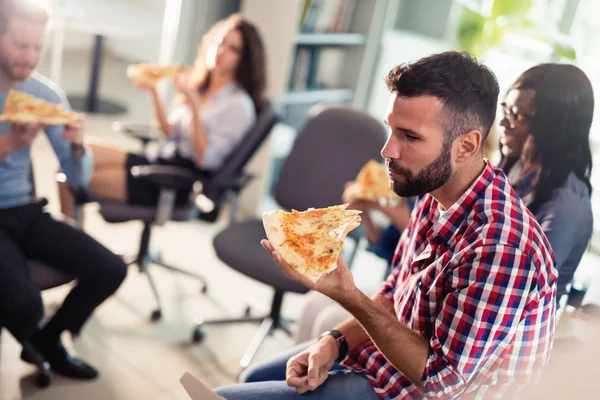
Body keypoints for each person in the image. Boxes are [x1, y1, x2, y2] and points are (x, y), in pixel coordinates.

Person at [216, 52, 558, 399]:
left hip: (419, 392)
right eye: (391, 129)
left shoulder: (503, 248)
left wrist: (346, 295)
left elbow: (442, 382)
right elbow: (398, 292)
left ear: (466, 146)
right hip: (385, 367)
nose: (387, 150)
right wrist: (334, 342)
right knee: (254, 378)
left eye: (409, 136)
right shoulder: (434, 188)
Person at [0, 0, 127, 380]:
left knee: (111, 269)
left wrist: (77, 146)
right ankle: (31, 329)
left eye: (38, 48)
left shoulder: (44, 94)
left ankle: (49, 341)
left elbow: (78, 179)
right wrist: (9, 145)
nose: (30, 57)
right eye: (21, 45)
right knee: (25, 304)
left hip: (25, 210)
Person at [59, 13, 266, 217]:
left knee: (72, 175)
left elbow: (204, 159)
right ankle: (68, 236)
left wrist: (194, 104)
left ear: (244, 60)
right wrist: (153, 91)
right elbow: (170, 133)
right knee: (71, 153)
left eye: (233, 49)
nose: (221, 51)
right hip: (159, 158)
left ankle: (68, 243)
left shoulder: (238, 105)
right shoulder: (203, 85)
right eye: (220, 42)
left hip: (176, 179)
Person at [498, 63, 594, 301]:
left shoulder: (566, 204)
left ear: (555, 127)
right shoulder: (518, 165)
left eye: (517, 115)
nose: (503, 123)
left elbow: (519, 290)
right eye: (506, 110)